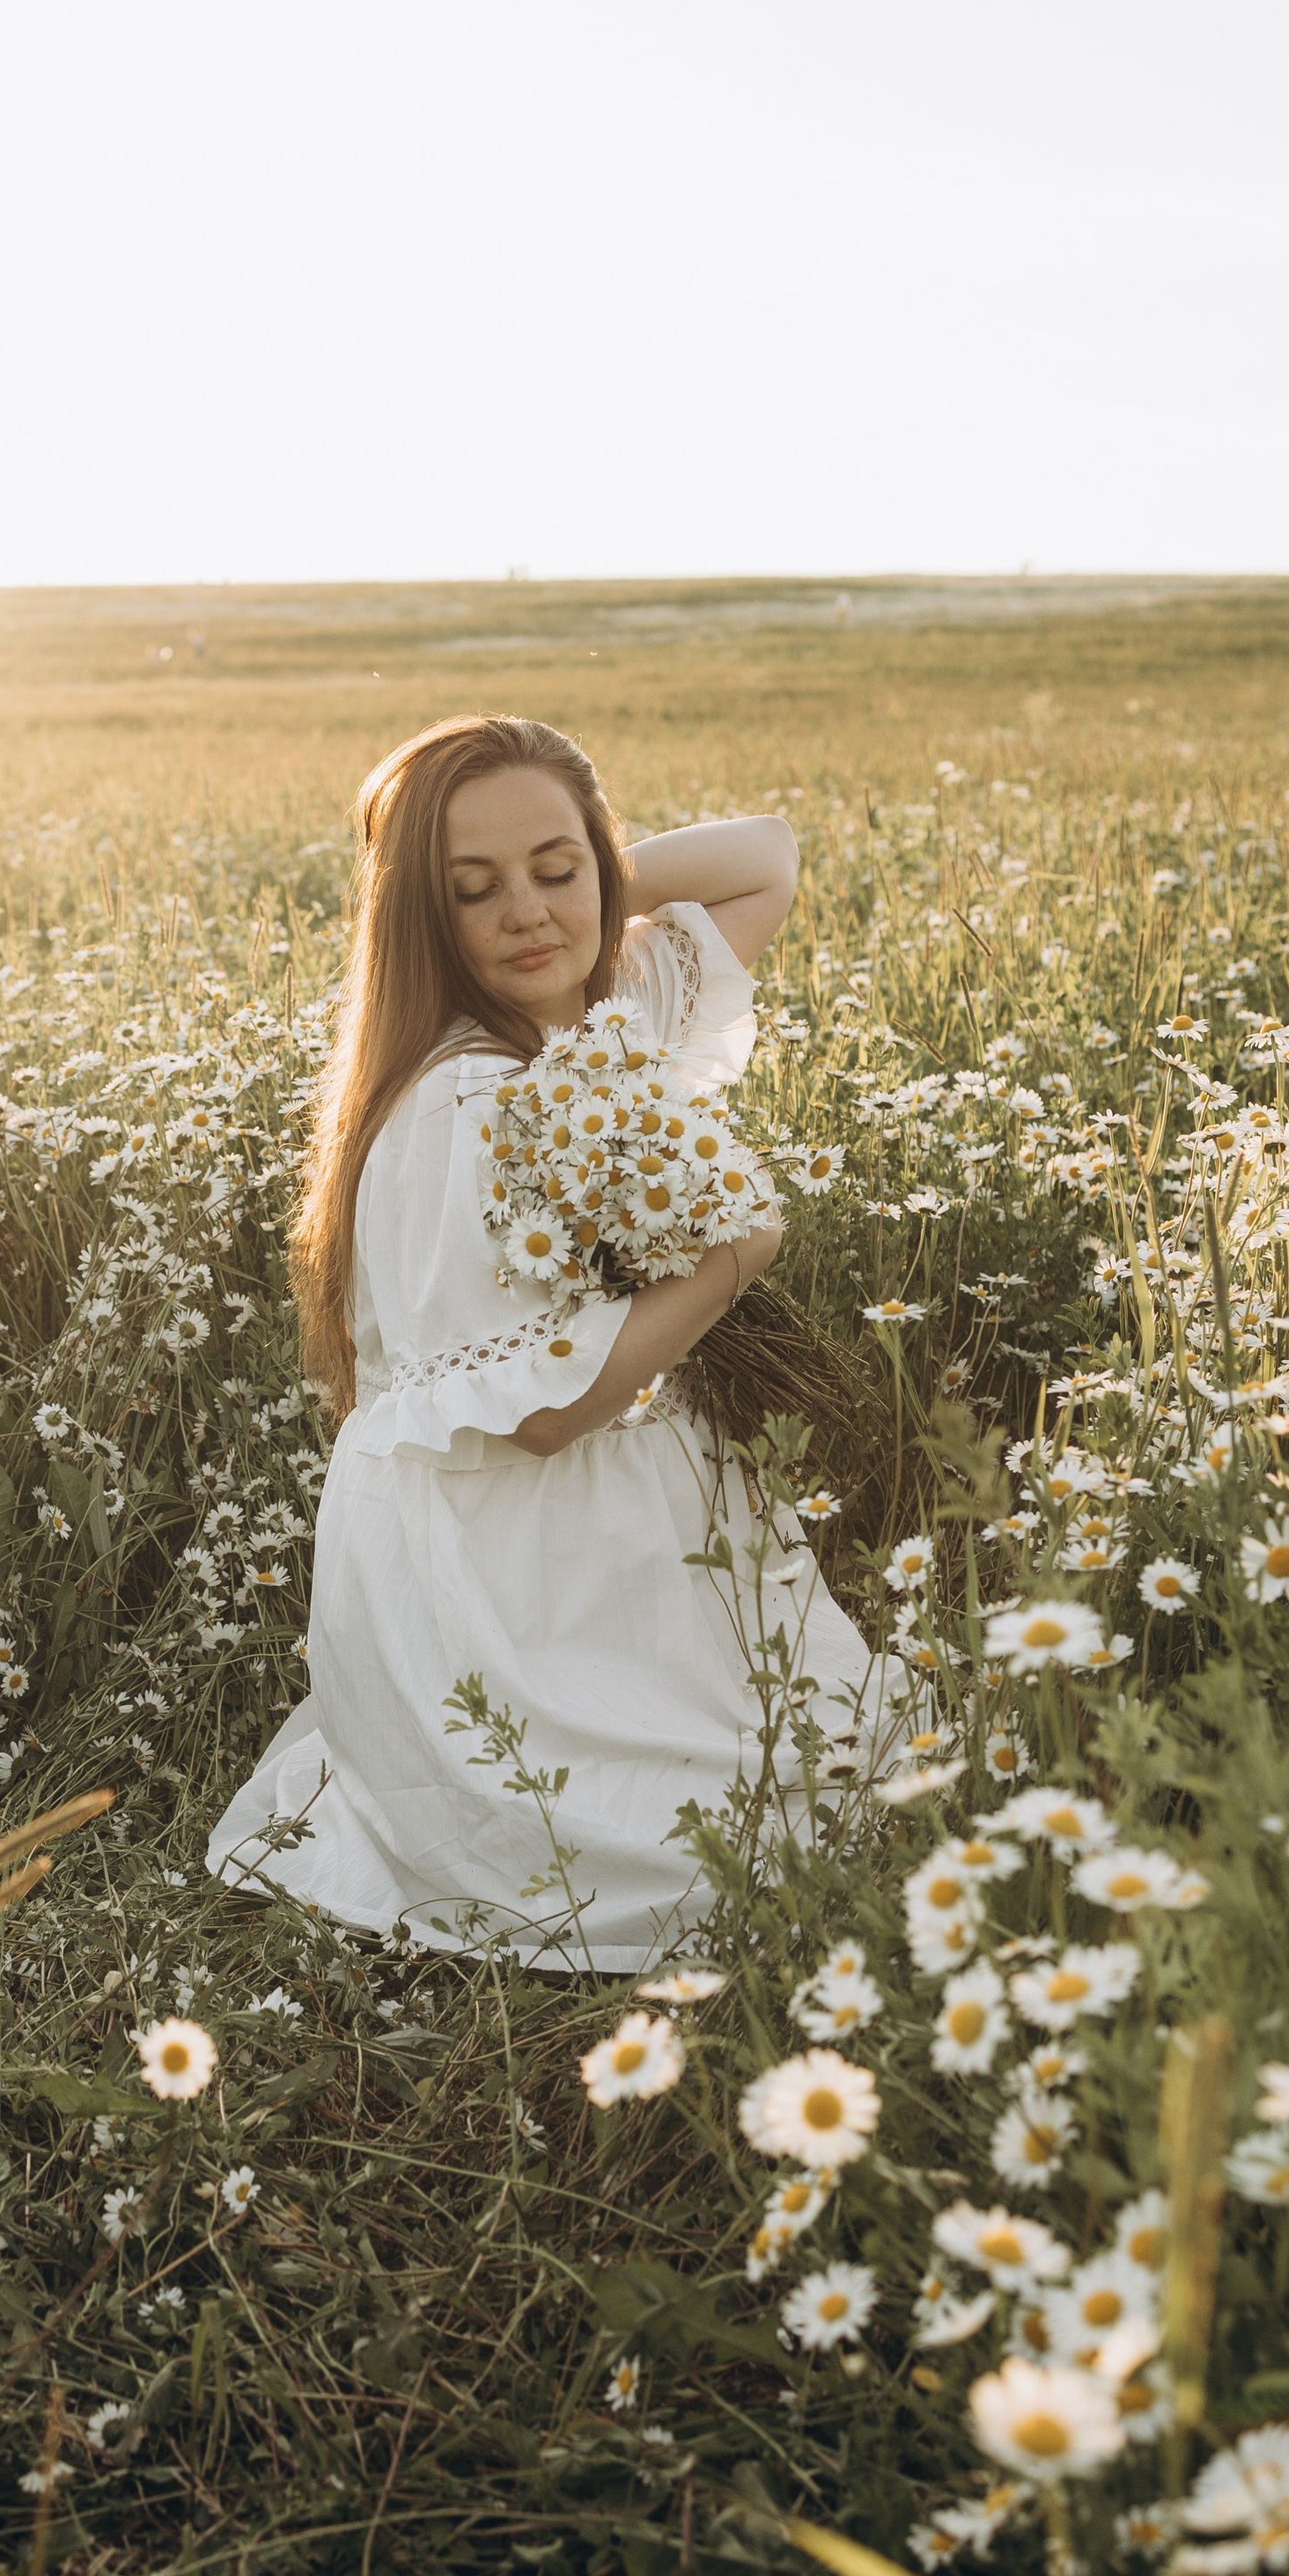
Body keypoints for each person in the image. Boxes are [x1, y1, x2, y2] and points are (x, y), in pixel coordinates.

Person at [203, 712, 898, 1974]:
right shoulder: (463, 1100)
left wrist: (605, 877)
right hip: (497, 1565)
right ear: (424, 921)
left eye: (555, 868)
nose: (527, 914)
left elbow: (766, 859)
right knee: (697, 1850)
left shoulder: (605, 1012)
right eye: (472, 891)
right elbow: (542, 1417)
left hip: (601, 1515)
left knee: (836, 1773)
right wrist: (731, 1260)